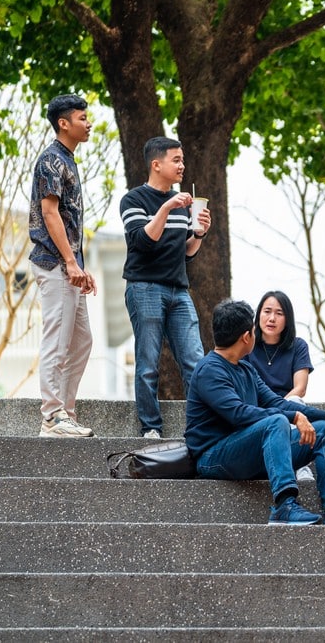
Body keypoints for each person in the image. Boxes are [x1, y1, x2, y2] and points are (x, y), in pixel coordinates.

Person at [185, 299, 325, 525]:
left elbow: (276, 402)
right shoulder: (209, 370)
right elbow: (238, 413)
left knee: (324, 431)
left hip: (249, 450)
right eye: (253, 331)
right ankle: (285, 506)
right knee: (275, 421)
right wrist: (293, 417)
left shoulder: (245, 368)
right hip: (214, 457)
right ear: (247, 337)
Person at [120, 136, 212, 439]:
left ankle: (200, 427)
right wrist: (167, 206)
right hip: (144, 287)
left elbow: (187, 252)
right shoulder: (133, 200)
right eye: (176, 160)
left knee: (195, 362)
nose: (182, 165)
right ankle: (151, 428)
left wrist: (198, 233)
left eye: (183, 159)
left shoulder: (184, 204)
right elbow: (143, 241)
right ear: (156, 164)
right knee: (148, 362)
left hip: (178, 290)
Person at [28, 94, 96, 437]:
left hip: (70, 266)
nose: (89, 123)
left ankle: (64, 413)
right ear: (63, 123)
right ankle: (52, 417)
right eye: (82, 118)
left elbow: (68, 220)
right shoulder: (51, 160)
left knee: (82, 340)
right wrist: (70, 262)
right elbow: (50, 212)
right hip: (54, 264)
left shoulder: (68, 160)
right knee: (57, 339)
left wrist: (81, 265)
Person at [244, 290, 316, 480]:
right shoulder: (246, 345)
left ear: (288, 319)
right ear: (258, 314)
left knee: (296, 401)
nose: (272, 318)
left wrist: (281, 410)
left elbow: (300, 387)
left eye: (279, 313)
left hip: (288, 407)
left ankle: (300, 466)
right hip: (256, 409)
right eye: (267, 311)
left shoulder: (298, 346)